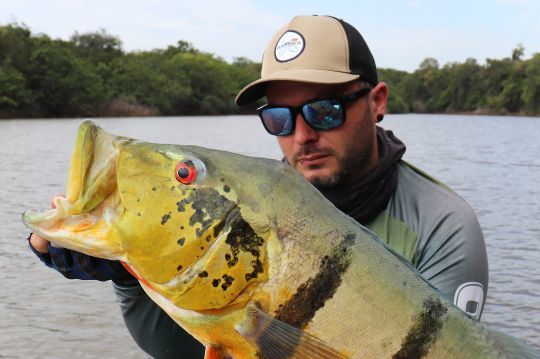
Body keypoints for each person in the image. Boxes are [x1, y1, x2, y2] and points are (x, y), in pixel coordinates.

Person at [28, 15, 488, 358]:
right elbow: (181, 349)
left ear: (377, 101)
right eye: (279, 118)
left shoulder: (443, 225)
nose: (302, 136)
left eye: (325, 111)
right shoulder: (253, 203)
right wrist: (130, 273)